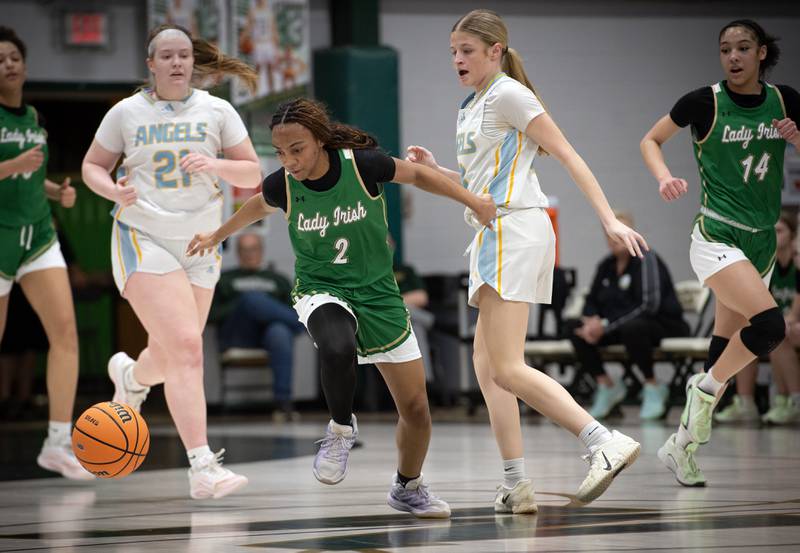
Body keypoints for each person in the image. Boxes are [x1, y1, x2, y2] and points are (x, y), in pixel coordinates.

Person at [187, 97, 497, 518]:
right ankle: (339, 429)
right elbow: (257, 206)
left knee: (417, 410)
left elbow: (421, 176)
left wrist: (472, 201)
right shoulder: (283, 184)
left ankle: (408, 487)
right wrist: (215, 235)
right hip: (321, 287)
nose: (290, 161)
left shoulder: (362, 165)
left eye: (297, 149)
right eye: (280, 153)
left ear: (319, 141)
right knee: (336, 346)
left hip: (379, 293)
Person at [405, 9, 645, 511]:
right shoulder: (471, 106)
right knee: (487, 367)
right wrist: (438, 170)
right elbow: (480, 180)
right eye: (453, 51)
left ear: (495, 51)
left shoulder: (511, 94)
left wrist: (609, 219)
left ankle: (603, 441)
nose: (457, 60)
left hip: (514, 229)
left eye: (467, 50)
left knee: (508, 367)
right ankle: (516, 481)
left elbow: (569, 155)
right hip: (497, 233)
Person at [81, 23, 262, 499]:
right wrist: (112, 189)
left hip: (201, 241)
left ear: (192, 61)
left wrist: (216, 165)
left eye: (183, 55)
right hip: (143, 235)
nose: (177, 62)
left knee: (169, 354)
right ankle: (202, 466)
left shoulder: (217, 110)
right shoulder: (126, 112)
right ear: (151, 64)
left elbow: (252, 170)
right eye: (167, 56)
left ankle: (130, 376)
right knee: (186, 347)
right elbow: (92, 167)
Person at [640, 19, 800, 486]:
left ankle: (682, 447)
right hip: (717, 235)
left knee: (725, 343)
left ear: (762, 53)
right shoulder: (703, 102)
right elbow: (650, 140)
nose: (733, 57)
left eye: (743, 48)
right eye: (726, 49)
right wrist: (663, 177)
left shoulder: (785, 101)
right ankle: (705, 389)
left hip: (763, 239)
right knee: (769, 327)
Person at [0, 26, 92, 480]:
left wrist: (58, 192)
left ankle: (58, 442)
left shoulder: (32, 115)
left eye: (14, 56)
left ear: (26, 64)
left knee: (65, 336)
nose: (8, 64)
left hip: (38, 235)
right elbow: (15, 170)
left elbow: (30, 178)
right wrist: (12, 166)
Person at [568, 210, 689, 420]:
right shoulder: (606, 266)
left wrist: (605, 326)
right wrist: (591, 321)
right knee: (572, 327)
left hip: (661, 324)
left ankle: (652, 386)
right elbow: (591, 300)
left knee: (634, 328)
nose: (612, 239)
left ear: (630, 233)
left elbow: (648, 305)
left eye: (617, 233)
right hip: (617, 326)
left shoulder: (646, 258)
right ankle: (607, 385)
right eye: (608, 234)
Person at [715, 211, 800, 424]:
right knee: (746, 338)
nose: (775, 235)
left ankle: (792, 401)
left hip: (793, 322)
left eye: (780, 231)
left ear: (792, 235)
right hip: (785, 324)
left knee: (780, 334)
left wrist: (791, 318)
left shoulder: (797, 263)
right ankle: (746, 403)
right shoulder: (767, 265)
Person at [210, 232, 304, 419]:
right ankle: (304, 325)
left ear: (261, 251)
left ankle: (283, 404)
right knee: (251, 298)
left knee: (280, 331)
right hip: (238, 334)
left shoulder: (278, 280)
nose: (249, 254)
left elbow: (289, 308)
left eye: (253, 249)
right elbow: (211, 316)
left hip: (268, 336)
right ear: (237, 253)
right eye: (244, 250)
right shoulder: (226, 279)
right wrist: (240, 304)